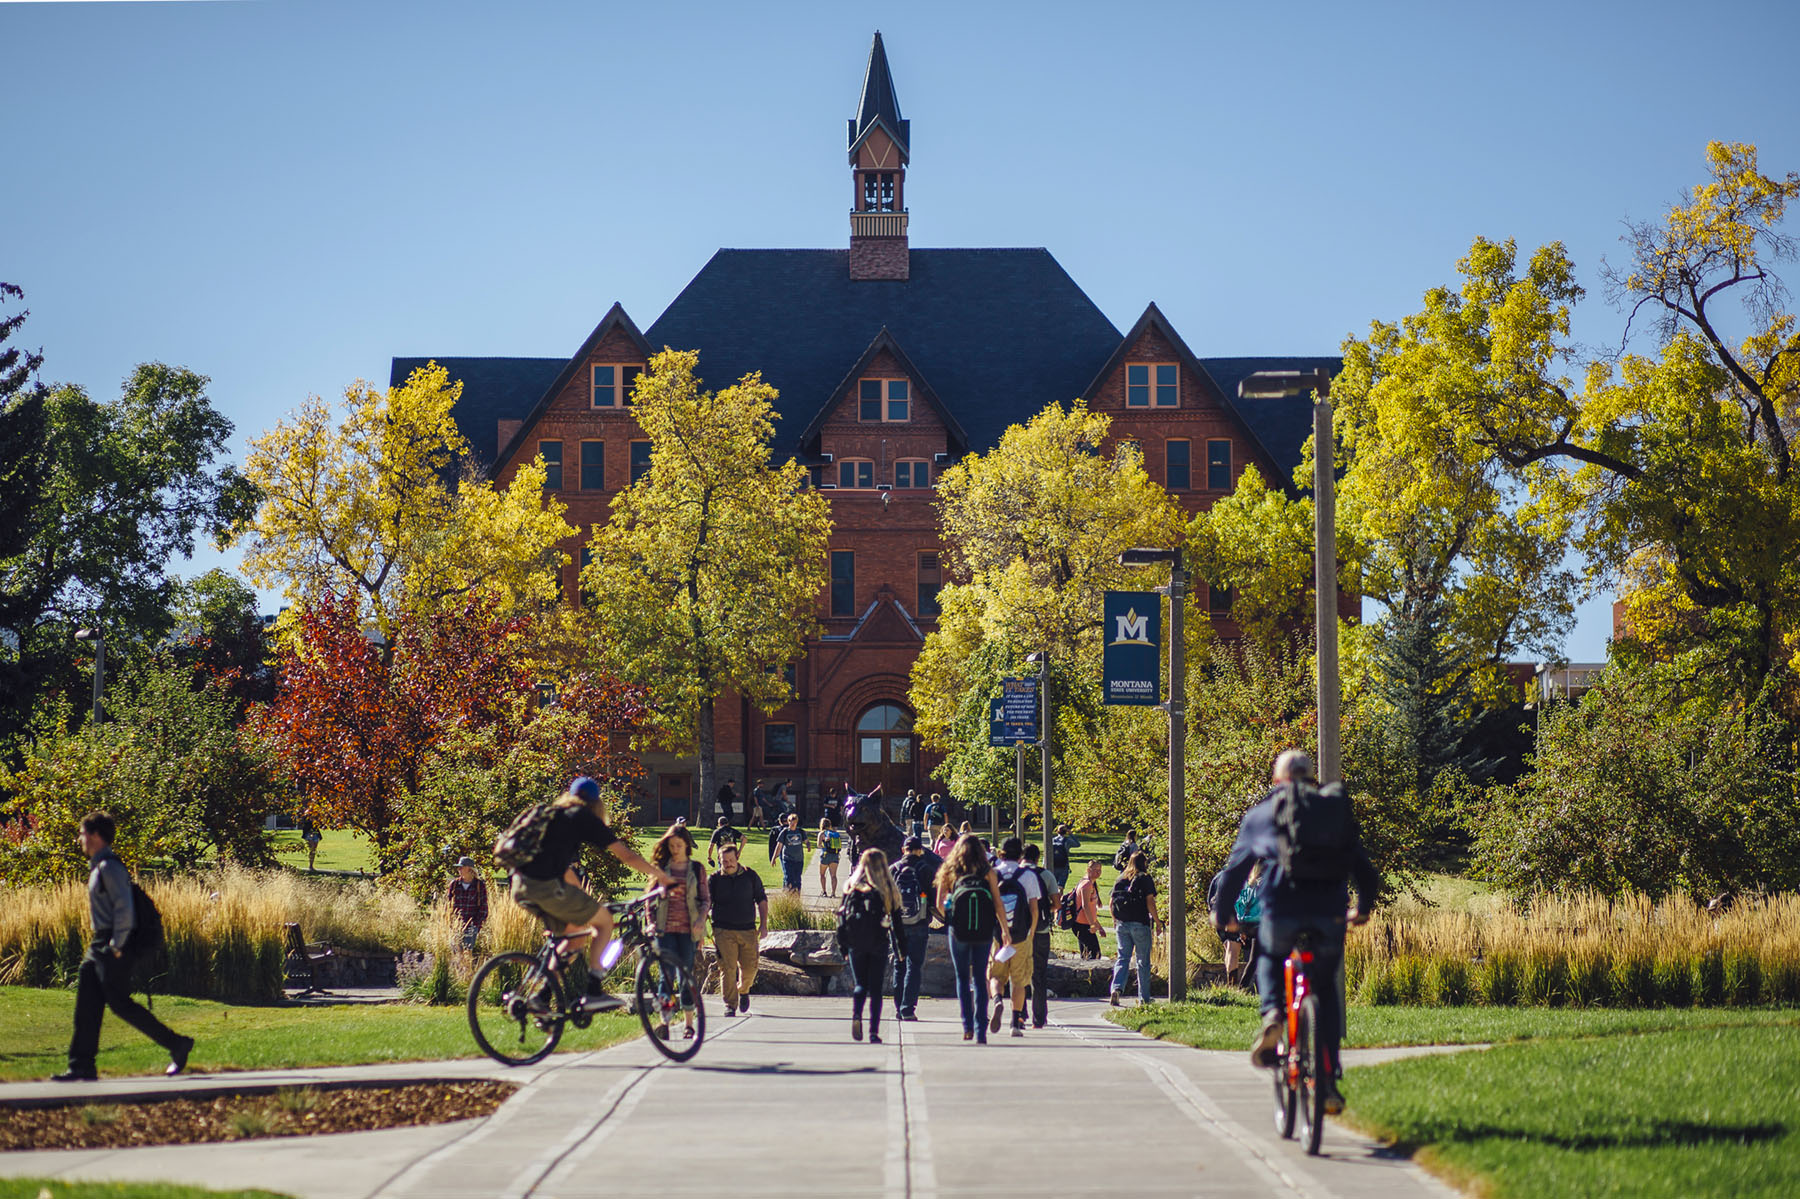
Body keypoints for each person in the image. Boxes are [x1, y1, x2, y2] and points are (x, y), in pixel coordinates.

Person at [1214, 749, 1377, 1115]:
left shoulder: (1260, 814)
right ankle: (1330, 1081)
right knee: (1325, 990)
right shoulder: (1332, 810)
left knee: (1270, 956)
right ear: (1311, 777)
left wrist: (1223, 915)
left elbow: (1233, 873)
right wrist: (1362, 909)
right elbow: (1364, 869)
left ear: (1277, 781)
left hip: (1282, 911)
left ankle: (1273, 1014)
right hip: (1329, 914)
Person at [508, 776, 676, 1013]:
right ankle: (594, 990)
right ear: (596, 802)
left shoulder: (554, 816)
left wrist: (581, 898)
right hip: (545, 887)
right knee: (604, 921)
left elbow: (563, 869)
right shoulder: (583, 816)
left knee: (575, 937)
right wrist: (662, 876)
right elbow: (625, 855)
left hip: (521, 886)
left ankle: (542, 997)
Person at [54, 811, 195, 1082]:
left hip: (114, 942)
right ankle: (81, 1065)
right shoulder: (98, 866)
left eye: (82, 834)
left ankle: (177, 1044)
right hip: (100, 942)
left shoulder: (110, 868)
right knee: (87, 1002)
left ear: (95, 836)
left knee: (119, 1003)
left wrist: (117, 946)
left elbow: (125, 910)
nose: (79, 839)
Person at [936, 834, 1011, 1043]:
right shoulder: (988, 872)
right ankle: (980, 1029)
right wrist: (1004, 929)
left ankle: (967, 1026)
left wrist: (951, 918)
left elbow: (940, 904)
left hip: (958, 931)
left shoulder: (949, 870)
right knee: (980, 977)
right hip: (984, 930)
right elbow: (997, 903)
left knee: (962, 978)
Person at [647, 823, 710, 1041]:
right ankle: (664, 1023)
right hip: (665, 931)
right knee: (666, 976)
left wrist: (701, 920)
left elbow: (705, 900)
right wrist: (651, 923)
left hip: (688, 931)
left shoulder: (696, 869)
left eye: (679, 845)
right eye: (672, 845)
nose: (675, 849)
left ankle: (689, 1024)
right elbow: (649, 900)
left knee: (686, 977)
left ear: (686, 845)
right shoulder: (662, 868)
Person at [838, 848, 903, 1043]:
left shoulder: (851, 887)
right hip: (878, 942)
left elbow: (841, 918)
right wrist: (901, 948)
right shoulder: (886, 889)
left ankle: (857, 1014)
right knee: (876, 989)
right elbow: (897, 922)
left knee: (860, 985)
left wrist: (843, 946)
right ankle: (874, 1032)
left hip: (855, 942)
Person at [987, 836, 1041, 1038]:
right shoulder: (1027, 876)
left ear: (1000, 853)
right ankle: (1015, 1023)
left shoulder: (993, 874)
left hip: (998, 936)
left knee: (994, 976)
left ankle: (997, 1000)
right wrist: (1031, 932)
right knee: (1019, 981)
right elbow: (1034, 909)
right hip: (1020, 936)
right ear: (1020, 854)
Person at [709, 842, 768, 1016]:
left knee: (750, 968)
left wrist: (763, 925)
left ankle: (743, 990)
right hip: (723, 929)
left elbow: (762, 900)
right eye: (724, 861)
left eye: (731, 860)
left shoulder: (750, 876)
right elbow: (705, 902)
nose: (728, 863)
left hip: (748, 930)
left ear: (737, 858)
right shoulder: (714, 879)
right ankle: (730, 1005)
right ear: (719, 861)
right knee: (727, 968)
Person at [888, 834, 942, 1020]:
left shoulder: (892, 869)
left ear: (904, 850)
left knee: (899, 964)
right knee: (914, 966)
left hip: (896, 925)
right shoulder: (926, 869)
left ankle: (898, 1007)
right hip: (919, 923)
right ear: (920, 851)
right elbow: (935, 899)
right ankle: (908, 1008)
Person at [1109, 851, 1159, 1007]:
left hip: (1122, 924)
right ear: (1144, 863)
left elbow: (1111, 902)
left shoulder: (1121, 878)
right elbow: (1150, 902)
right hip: (1140, 924)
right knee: (1142, 961)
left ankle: (1116, 989)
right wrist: (1157, 920)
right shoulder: (1145, 878)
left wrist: (1115, 920)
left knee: (1122, 958)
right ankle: (1144, 998)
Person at [1022, 843, 1060, 1029]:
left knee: (1019, 973)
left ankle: (1019, 1014)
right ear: (1038, 857)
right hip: (1041, 931)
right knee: (1039, 975)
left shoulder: (1016, 874)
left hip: (1019, 930)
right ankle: (1039, 1018)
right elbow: (1057, 903)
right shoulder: (1046, 875)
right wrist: (1045, 911)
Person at [446, 855, 489, 951]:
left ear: (469, 869)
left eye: (461, 867)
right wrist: (451, 921)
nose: (459, 869)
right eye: (458, 867)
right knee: (456, 952)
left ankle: (467, 967)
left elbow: (484, 907)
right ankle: (457, 967)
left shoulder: (479, 885)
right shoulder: (454, 884)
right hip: (456, 925)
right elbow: (448, 905)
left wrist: (476, 924)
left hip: (472, 925)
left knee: (467, 952)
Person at [1071, 859, 1108, 959]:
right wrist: (1092, 925)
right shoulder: (1086, 885)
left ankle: (1084, 974)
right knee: (1095, 954)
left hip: (1084, 924)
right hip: (1082, 925)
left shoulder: (1090, 883)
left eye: (1100, 870)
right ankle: (1090, 974)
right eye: (1095, 869)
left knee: (1086, 955)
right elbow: (1085, 906)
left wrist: (1099, 927)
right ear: (1088, 870)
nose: (1098, 872)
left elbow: (1091, 910)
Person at [773, 812, 808, 892]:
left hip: (799, 860)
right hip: (788, 859)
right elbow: (779, 846)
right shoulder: (785, 832)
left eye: (794, 822)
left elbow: (806, 840)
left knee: (797, 879)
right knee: (789, 878)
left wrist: (808, 845)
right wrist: (774, 857)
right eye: (791, 822)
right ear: (788, 822)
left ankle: (796, 897)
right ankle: (787, 897)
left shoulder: (800, 832)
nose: (793, 824)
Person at [1049, 824, 1082, 891]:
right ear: (1066, 831)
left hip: (1053, 865)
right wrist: (1071, 834)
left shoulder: (1052, 840)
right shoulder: (1067, 841)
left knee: (1053, 886)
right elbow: (1078, 844)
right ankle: (1059, 900)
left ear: (1057, 831)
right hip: (1064, 865)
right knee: (1061, 886)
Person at [816, 817, 843, 897]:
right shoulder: (834, 833)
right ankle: (833, 893)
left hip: (825, 855)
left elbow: (819, 845)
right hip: (835, 855)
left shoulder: (822, 833)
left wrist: (824, 845)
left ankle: (824, 892)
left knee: (822, 874)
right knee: (833, 875)